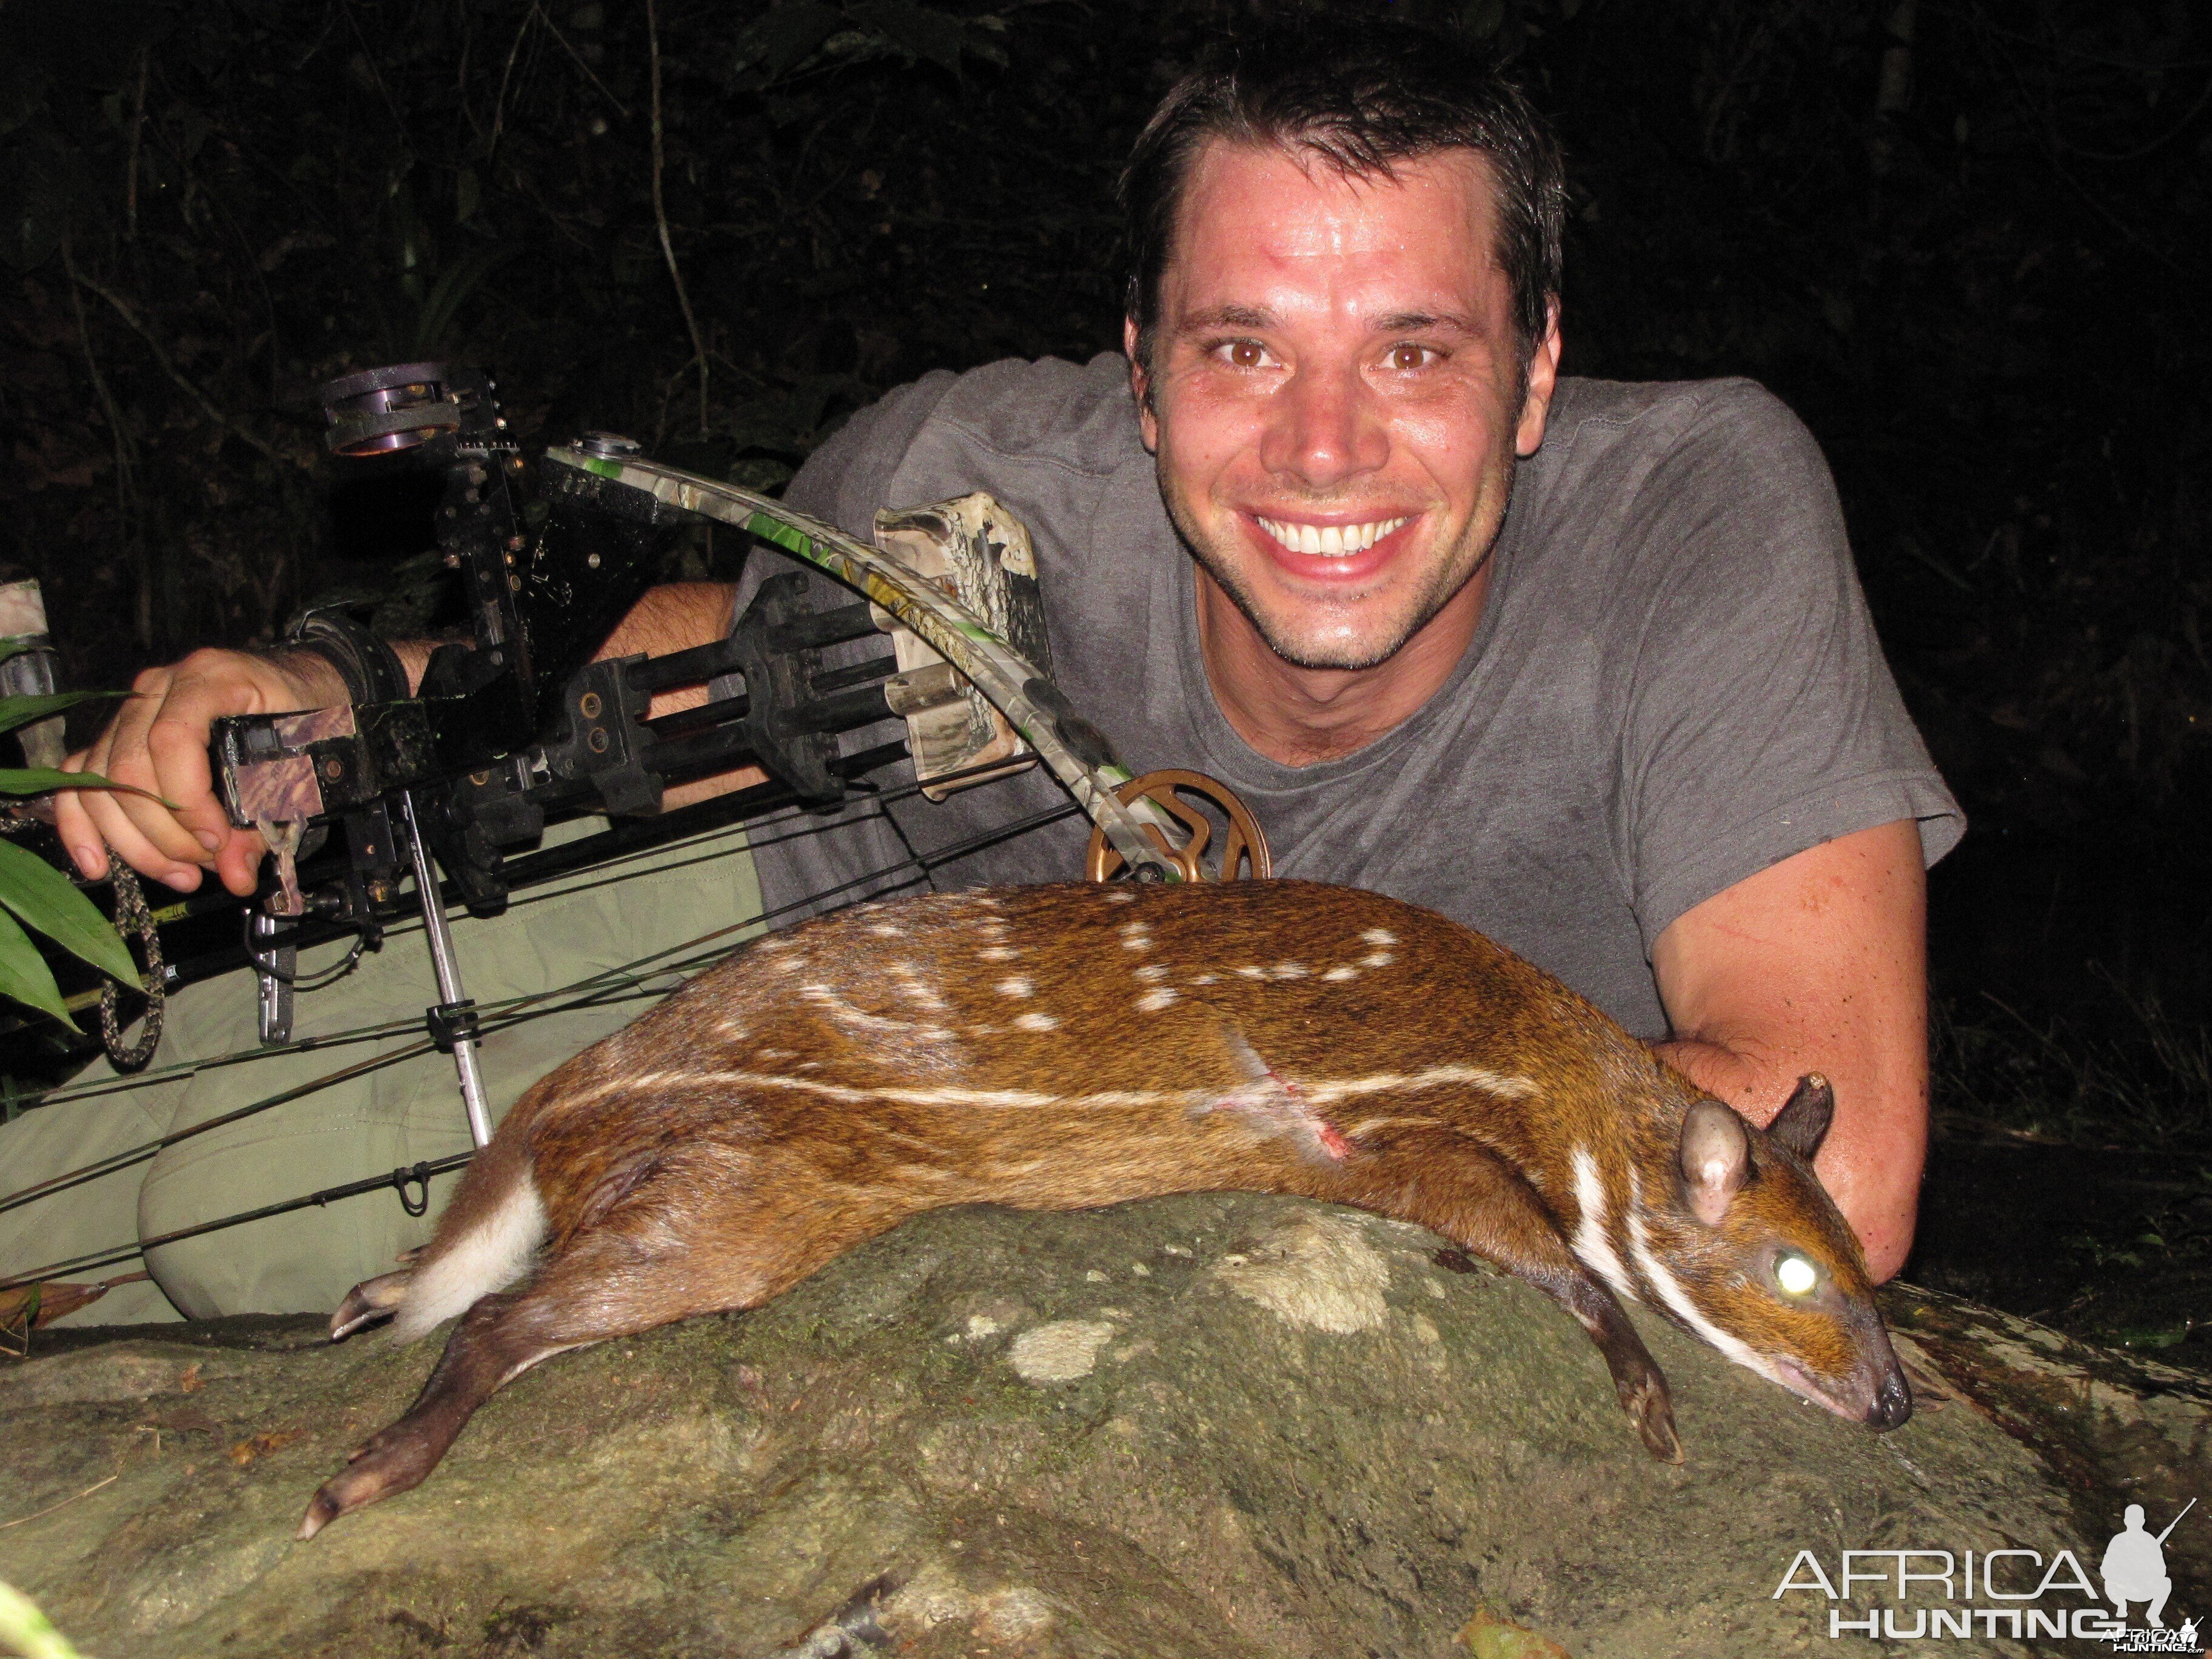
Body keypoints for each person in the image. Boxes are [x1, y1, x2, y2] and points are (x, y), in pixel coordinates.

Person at [28, 17, 1957, 1324]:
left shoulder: (1698, 511)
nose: (1323, 450)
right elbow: (726, 663)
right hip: (786, 945)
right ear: (1137, 368)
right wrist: (344, 701)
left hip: (908, 1142)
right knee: (126, 1162)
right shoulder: (977, 469)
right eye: (1242, 348)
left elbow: (1839, 1166)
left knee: (218, 1250)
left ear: (1537, 373)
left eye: (1416, 352)